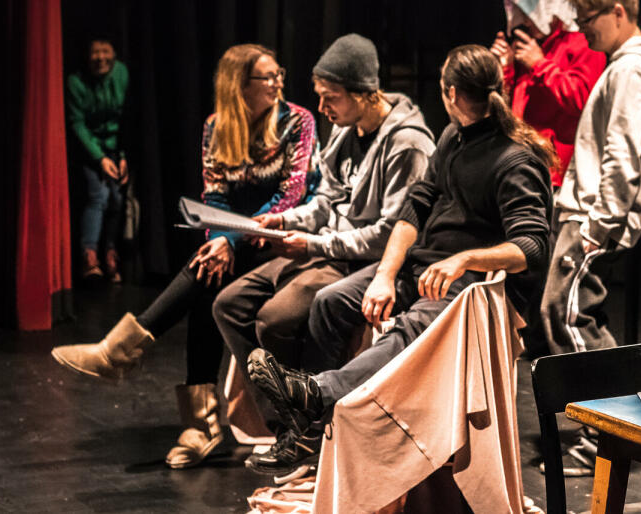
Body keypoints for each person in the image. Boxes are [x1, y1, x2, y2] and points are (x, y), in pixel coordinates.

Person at [244, 44, 554, 474]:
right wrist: (385, 275)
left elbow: (532, 248)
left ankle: (317, 394)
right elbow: (414, 209)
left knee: (412, 325)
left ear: (449, 93)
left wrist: (463, 260)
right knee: (331, 302)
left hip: (477, 288)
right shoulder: (452, 137)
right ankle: (316, 431)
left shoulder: (514, 159)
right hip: (428, 266)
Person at [50, 44, 320, 470]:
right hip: (235, 242)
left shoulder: (297, 122)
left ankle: (138, 367)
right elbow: (214, 197)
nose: (278, 83)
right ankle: (194, 419)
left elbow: (290, 196)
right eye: (267, 77)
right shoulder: (216, 127)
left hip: (283, 238)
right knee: (208, 276)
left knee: (206, 277)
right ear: (239, 85)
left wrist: (229, 241)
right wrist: (220, 242)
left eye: (278, 74)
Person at [210, 34, 435, 471]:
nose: (322, 107)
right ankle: (288, 429)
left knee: (274, 319)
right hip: (325, 248)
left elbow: (389, 233)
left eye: (331, 98)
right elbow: (327, 200)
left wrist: (312, 243)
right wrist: (285, 221)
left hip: (359, 259)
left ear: (364, 94)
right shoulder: (345, 129)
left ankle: (307, 428)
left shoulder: (407, 144)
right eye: (320, 96)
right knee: (228, 304)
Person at [541, 0, 641, 355]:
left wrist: (598, 225)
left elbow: (623, 153)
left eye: (588, 19)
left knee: (566, 317)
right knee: (571, 315)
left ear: (617, 12)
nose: (582, 28)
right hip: (596, 213)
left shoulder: (632, 70)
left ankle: (611, 407)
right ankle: (610, 403)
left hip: (592, 215)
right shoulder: (637, 67)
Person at [490, 0, 605, 187]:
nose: (525, 22)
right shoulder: (533, 45)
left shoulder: (582, 42)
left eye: (529, 14)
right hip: (521, 163)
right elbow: (514, 105)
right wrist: (506, 68)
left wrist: (540, 65)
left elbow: (582, 101)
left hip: (558, 173)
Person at [67, 36, 129, 282]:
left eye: (105, 51)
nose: (100, 58)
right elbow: (77, 124)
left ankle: (111, 253)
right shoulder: (76, 82)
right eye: (95, 52)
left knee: (116, 197)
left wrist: (123, 155)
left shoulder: (121, 73)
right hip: (89, 148)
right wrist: (99, 158)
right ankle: (89, 256)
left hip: (116, 146)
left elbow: (127, 115)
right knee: (99, 195)